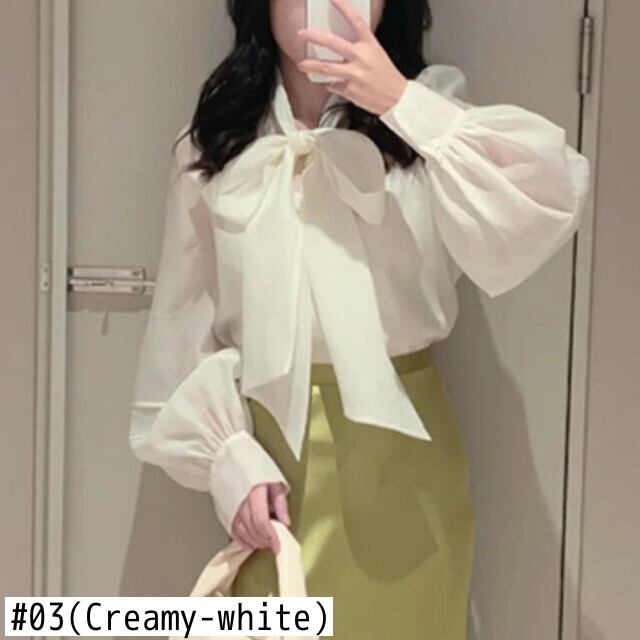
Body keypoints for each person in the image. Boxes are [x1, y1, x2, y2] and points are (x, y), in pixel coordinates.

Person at [128, 0, 591, 637]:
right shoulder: (214, 141)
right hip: (273, 471)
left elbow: (550, 193)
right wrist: (227, 459)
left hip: (408, 466)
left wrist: (399, 101)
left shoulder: (431, 118)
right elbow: (181, 332)